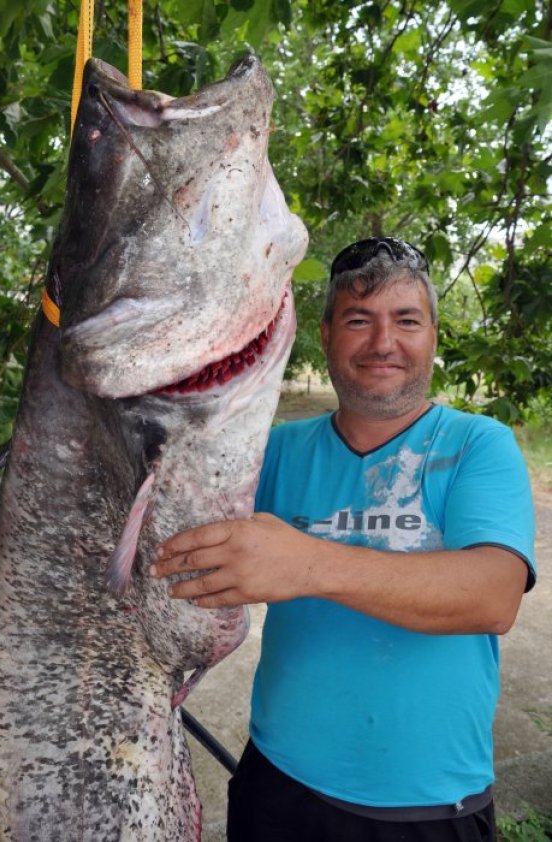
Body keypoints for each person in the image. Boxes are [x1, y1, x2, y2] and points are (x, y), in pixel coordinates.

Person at [151, 237, 536, 842]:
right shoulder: (274, 451)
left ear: (433, 335)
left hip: (429, 805)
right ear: (326, 336)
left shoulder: (477, 445)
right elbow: (169, 546)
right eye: (359, 321)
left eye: (406, 320)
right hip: (277, 784)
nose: (384, 342)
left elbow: (492, 596)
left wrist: (307, 564)